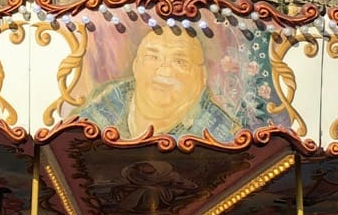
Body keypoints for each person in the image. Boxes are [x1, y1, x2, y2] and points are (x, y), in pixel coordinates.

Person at [80, 28, 235, 139]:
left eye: (179, 62)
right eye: (153, 57)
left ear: (202, 78)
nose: (164, 72)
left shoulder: (224, 133)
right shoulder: (105, 102)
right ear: (136, 65)